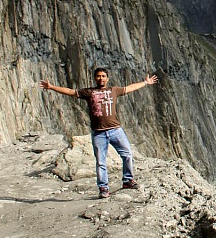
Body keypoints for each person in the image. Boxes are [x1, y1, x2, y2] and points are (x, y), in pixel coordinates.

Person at [39, 68, 158, 198]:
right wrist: (51, 87)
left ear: (107, 78)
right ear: (95, 78)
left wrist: (145, 83)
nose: (101, 78)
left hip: (115, 130)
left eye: (103, 76)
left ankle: (128, 180)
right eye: (98, 76)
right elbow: (70, 92)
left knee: (127, 154)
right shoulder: (89, 92)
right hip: (98, 133)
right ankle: (103, 188)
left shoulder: (114, 90)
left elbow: (129, 88)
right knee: (101, 162)